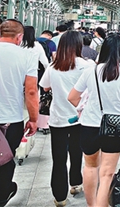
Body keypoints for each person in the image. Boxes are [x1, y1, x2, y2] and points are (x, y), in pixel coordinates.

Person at [68, 34, 120, 207]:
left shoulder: (91, 71)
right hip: (115, 126)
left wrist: (84, 109)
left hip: (90, 125)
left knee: (90, 167)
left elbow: (72, 97)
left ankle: (92, 204)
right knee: (107, 174)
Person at [40, 31, 94, 206]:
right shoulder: (88, 65)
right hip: (80, 118)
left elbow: (45, 87)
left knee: (59, 158)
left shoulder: (53, 66)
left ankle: (60, 197)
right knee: (77, 152)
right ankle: (76, 183)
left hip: (58, 118)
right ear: (79, 45)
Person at [0, 20, 38, 207]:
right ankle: (3, 194)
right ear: (19, 37)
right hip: (11, 119)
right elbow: (31, 91)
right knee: (5, 157)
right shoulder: (27, 56)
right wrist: (34, 119)